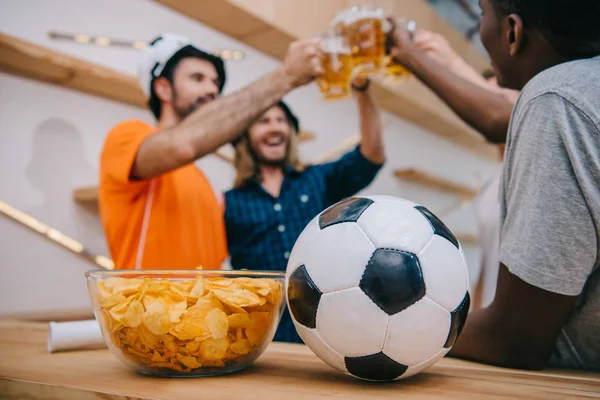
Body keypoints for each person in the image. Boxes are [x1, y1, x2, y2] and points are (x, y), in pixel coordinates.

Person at [389, 0, 600, 371]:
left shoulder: (556, 97)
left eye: (484, 13)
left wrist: (387, 324)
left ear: (513, 32)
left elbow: (515, 340)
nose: (482, 27)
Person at [99, 33, 323, 270]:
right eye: (198, 78)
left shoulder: (207, 187)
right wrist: (287, 76)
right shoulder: (125, 137)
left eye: (215, 82)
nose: (212, 89)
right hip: (145, 307)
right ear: (164, 89)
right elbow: (182, 146)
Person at [224, 76, 385, 342]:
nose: (275, 127)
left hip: (324, 324)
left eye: (281, 121)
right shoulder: (229, 201)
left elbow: (372, 156)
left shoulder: (318, 179)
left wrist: (363, 91)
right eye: (263, 121)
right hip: (258, 332)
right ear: (245, 137)